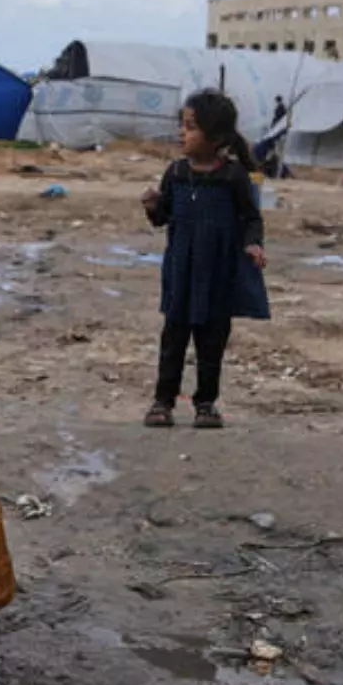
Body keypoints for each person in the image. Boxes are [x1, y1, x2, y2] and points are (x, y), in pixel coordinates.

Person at [142, 90, 270, 430]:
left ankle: (206, 403)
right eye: (182, 126)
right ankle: (162, 401)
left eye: (191, 127)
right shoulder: (176, 173)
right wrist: (153, 205)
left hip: (218, 275)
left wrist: (253, 244)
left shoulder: (233, 177)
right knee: (173, 340)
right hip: (181, 273)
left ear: (215, 137)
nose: (182, 133)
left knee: (211, 343)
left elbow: (251, 219)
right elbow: (162, 218)